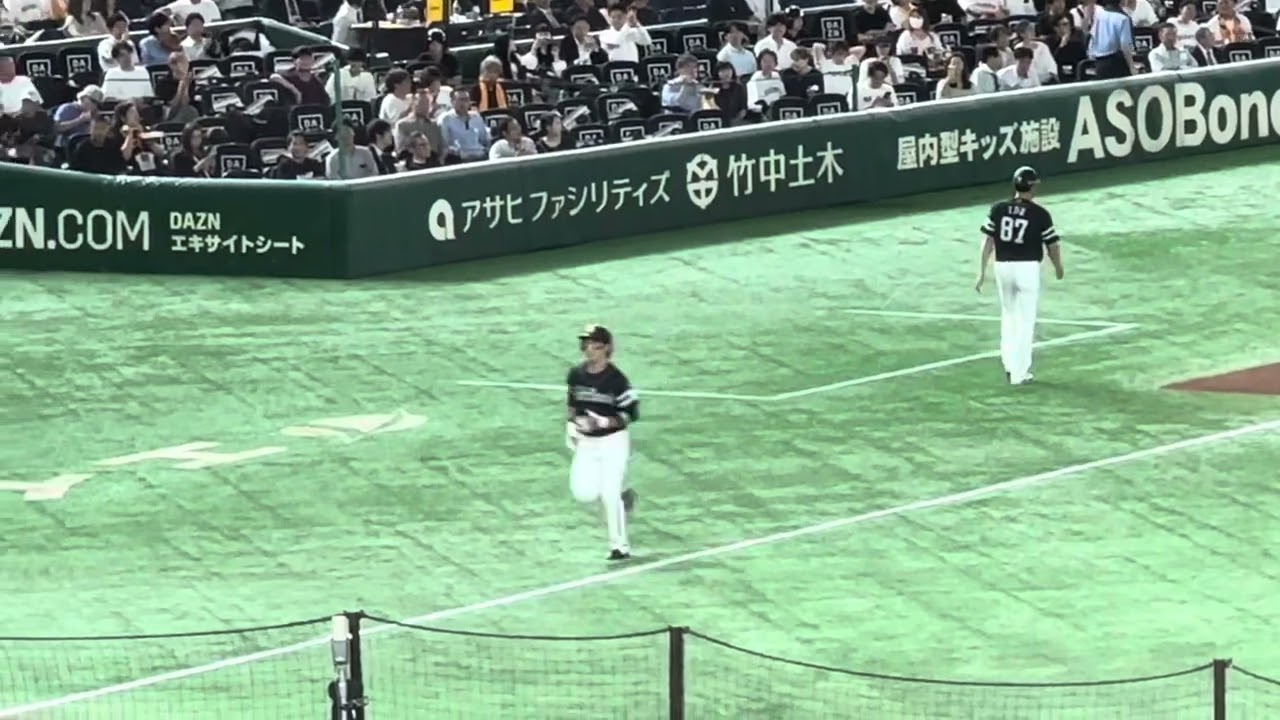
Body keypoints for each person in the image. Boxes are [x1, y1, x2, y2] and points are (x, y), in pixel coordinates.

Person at [975, 166, 1064, 386]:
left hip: (1003, 267)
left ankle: (1008, 363)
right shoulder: (1040, 214)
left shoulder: (998, 209)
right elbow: (1052, 244)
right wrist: (1058, 267)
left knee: (1009, 315)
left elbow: (987, 241)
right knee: (1025, 320)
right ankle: (1020, 372)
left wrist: (982, 270)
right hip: (1027, 269)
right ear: (1032, 187)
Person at [565, 324, 639, 561]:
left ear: (606, 348)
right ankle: (623, 496)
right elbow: (572, 405)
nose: (589, 350)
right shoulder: (576, 375)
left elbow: (631, 413)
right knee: (583, 493)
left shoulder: (617, 380)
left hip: (613, 441)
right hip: (586, 442)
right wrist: (572, 425)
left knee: (609, 493)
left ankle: (619, 546)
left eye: (594, 346)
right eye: (586, 345)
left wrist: (605, 422)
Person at [1089, 0, 1137, 79]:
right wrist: (1132, 67)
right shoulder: (1123, 18)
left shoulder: (1099, 16)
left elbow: (1093, 36)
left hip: (1099, 62)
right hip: (1116, 62)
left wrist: (1091, 54)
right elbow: (1125, 45)